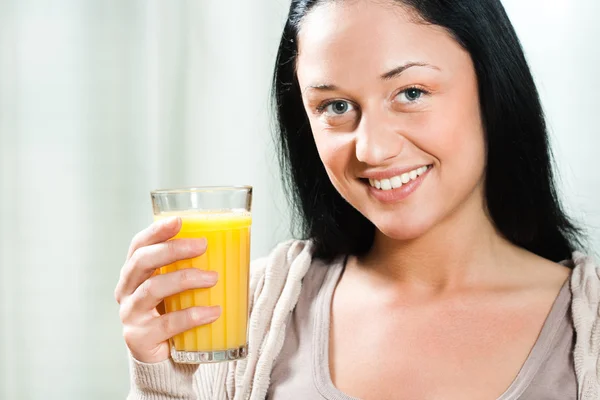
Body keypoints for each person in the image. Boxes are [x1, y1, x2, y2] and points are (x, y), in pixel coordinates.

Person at [115, 0, 600, 399]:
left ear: (493, 85)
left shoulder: (589, 323)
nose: (372, 149)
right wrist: (165, 380)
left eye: (410, 92)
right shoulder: (244, 313)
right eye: (336, 107)